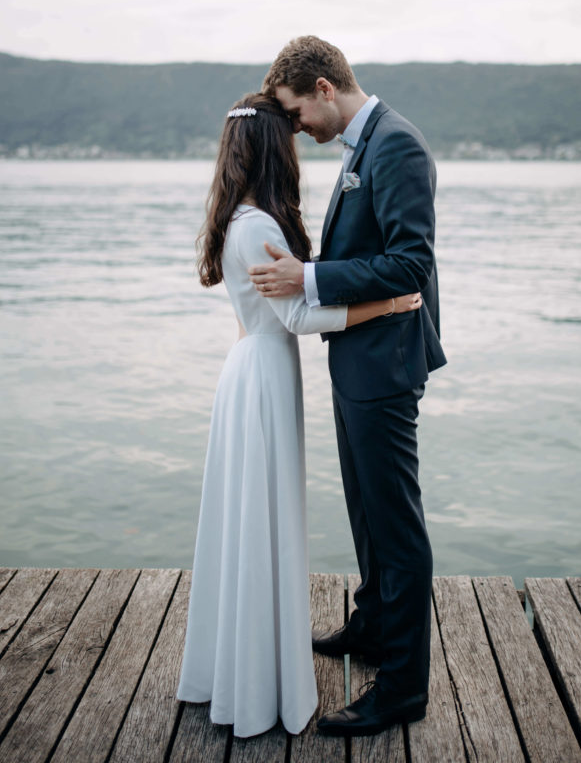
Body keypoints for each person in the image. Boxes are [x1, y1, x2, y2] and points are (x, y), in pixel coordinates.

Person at [176, 91, 421, 739]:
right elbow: (295, 315)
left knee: (250, 521)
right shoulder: (258, 225)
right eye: (284, 137)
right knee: (262, 518)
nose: (295, 145)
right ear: (267, 149)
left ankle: (243, 663)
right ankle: (259, 681)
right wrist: (389, 308)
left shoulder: (240, 217)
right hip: (262, 375)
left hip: (249, 367)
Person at [248, 36, 446, 737]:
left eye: (297, 109)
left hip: (386, 361)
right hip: (359, 355)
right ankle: (371, 629)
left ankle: (402, 689)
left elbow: (408, 263)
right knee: (365, 508)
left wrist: (309, 277)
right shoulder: (363, 147)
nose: (296, 124)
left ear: (324, 88)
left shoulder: (394, 145)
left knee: (394, 522)